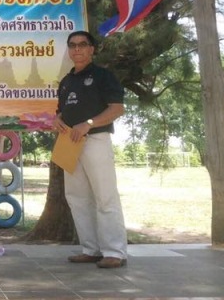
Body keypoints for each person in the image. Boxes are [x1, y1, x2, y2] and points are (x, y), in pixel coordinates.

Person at [53, 30, 128, 269]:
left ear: (91, 49)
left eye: (82, 44)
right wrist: (58, 119)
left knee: (105, 196)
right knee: (77, 197)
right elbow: (61, 111)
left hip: (96, 140)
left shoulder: (103, 76)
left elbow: (117, 108)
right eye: (72, 45)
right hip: (70, 144)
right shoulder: (66, 81)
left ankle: (114, 251)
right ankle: (91, 249)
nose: (77, 49)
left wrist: (89, 123)